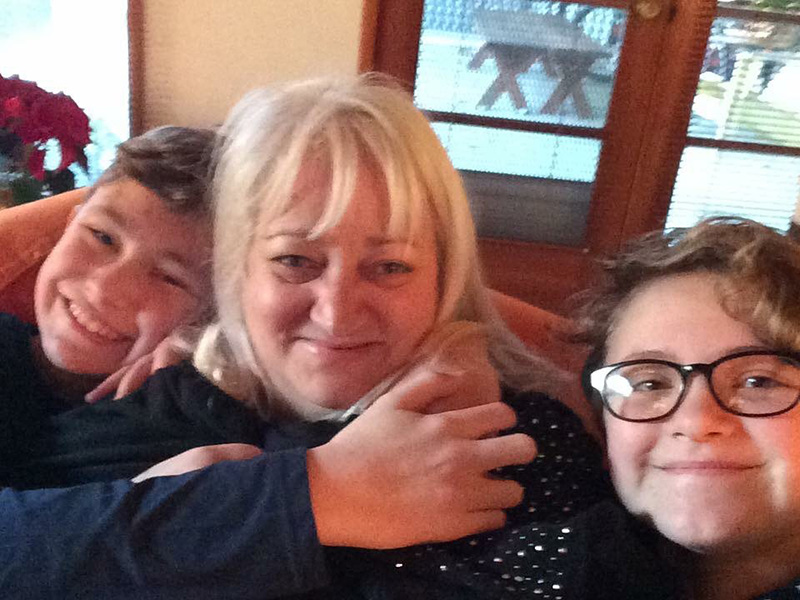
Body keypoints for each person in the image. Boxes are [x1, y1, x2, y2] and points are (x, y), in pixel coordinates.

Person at [0, 76, 609, 599]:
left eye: (390, 266)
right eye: (294, 260)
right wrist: (284, 498)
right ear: (233, 275)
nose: (337, 312)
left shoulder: (521, 444)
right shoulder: (150, 413)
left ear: (442, 277)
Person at [0, 125, 216, 486]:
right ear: (68, 225)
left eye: (170, 277)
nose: (105, 289)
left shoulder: (190, 418)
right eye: (102, 237)